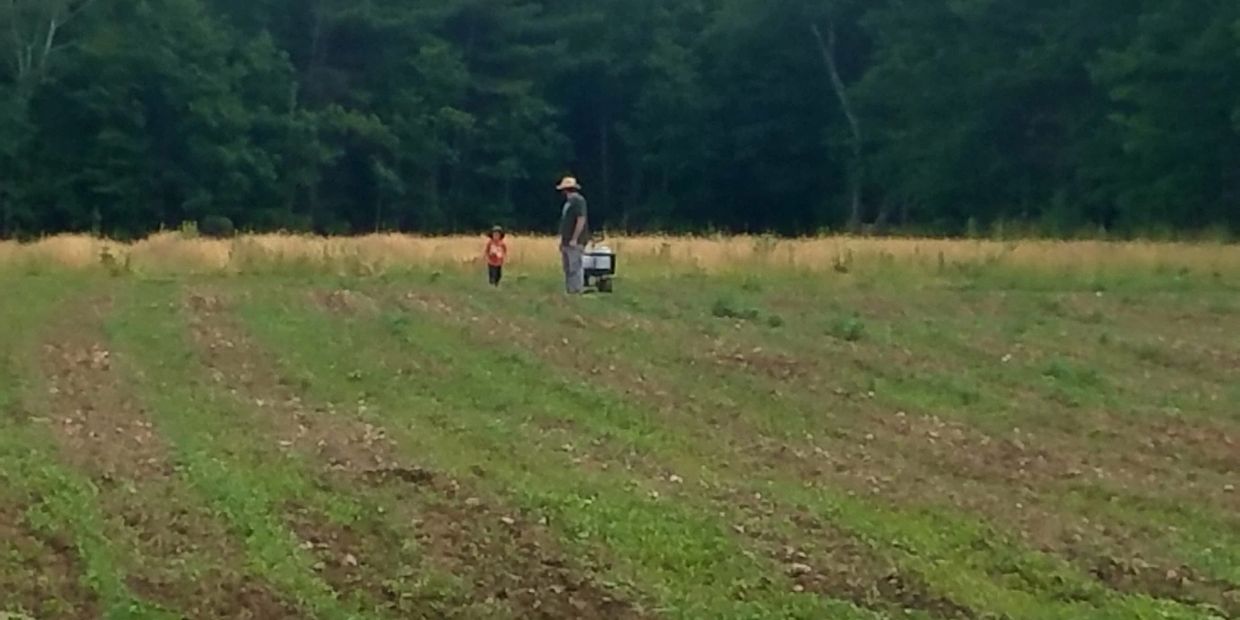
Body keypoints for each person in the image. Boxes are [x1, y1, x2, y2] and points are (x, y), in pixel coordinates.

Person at [556, 176, 589, 294]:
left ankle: (576, 289)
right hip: (566, 240)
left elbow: (581, 219)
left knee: (575, 266)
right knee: (567, 267)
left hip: (575, 240)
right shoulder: (569, 203)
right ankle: (570, 289)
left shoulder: (579, 201)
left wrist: (575, 238)